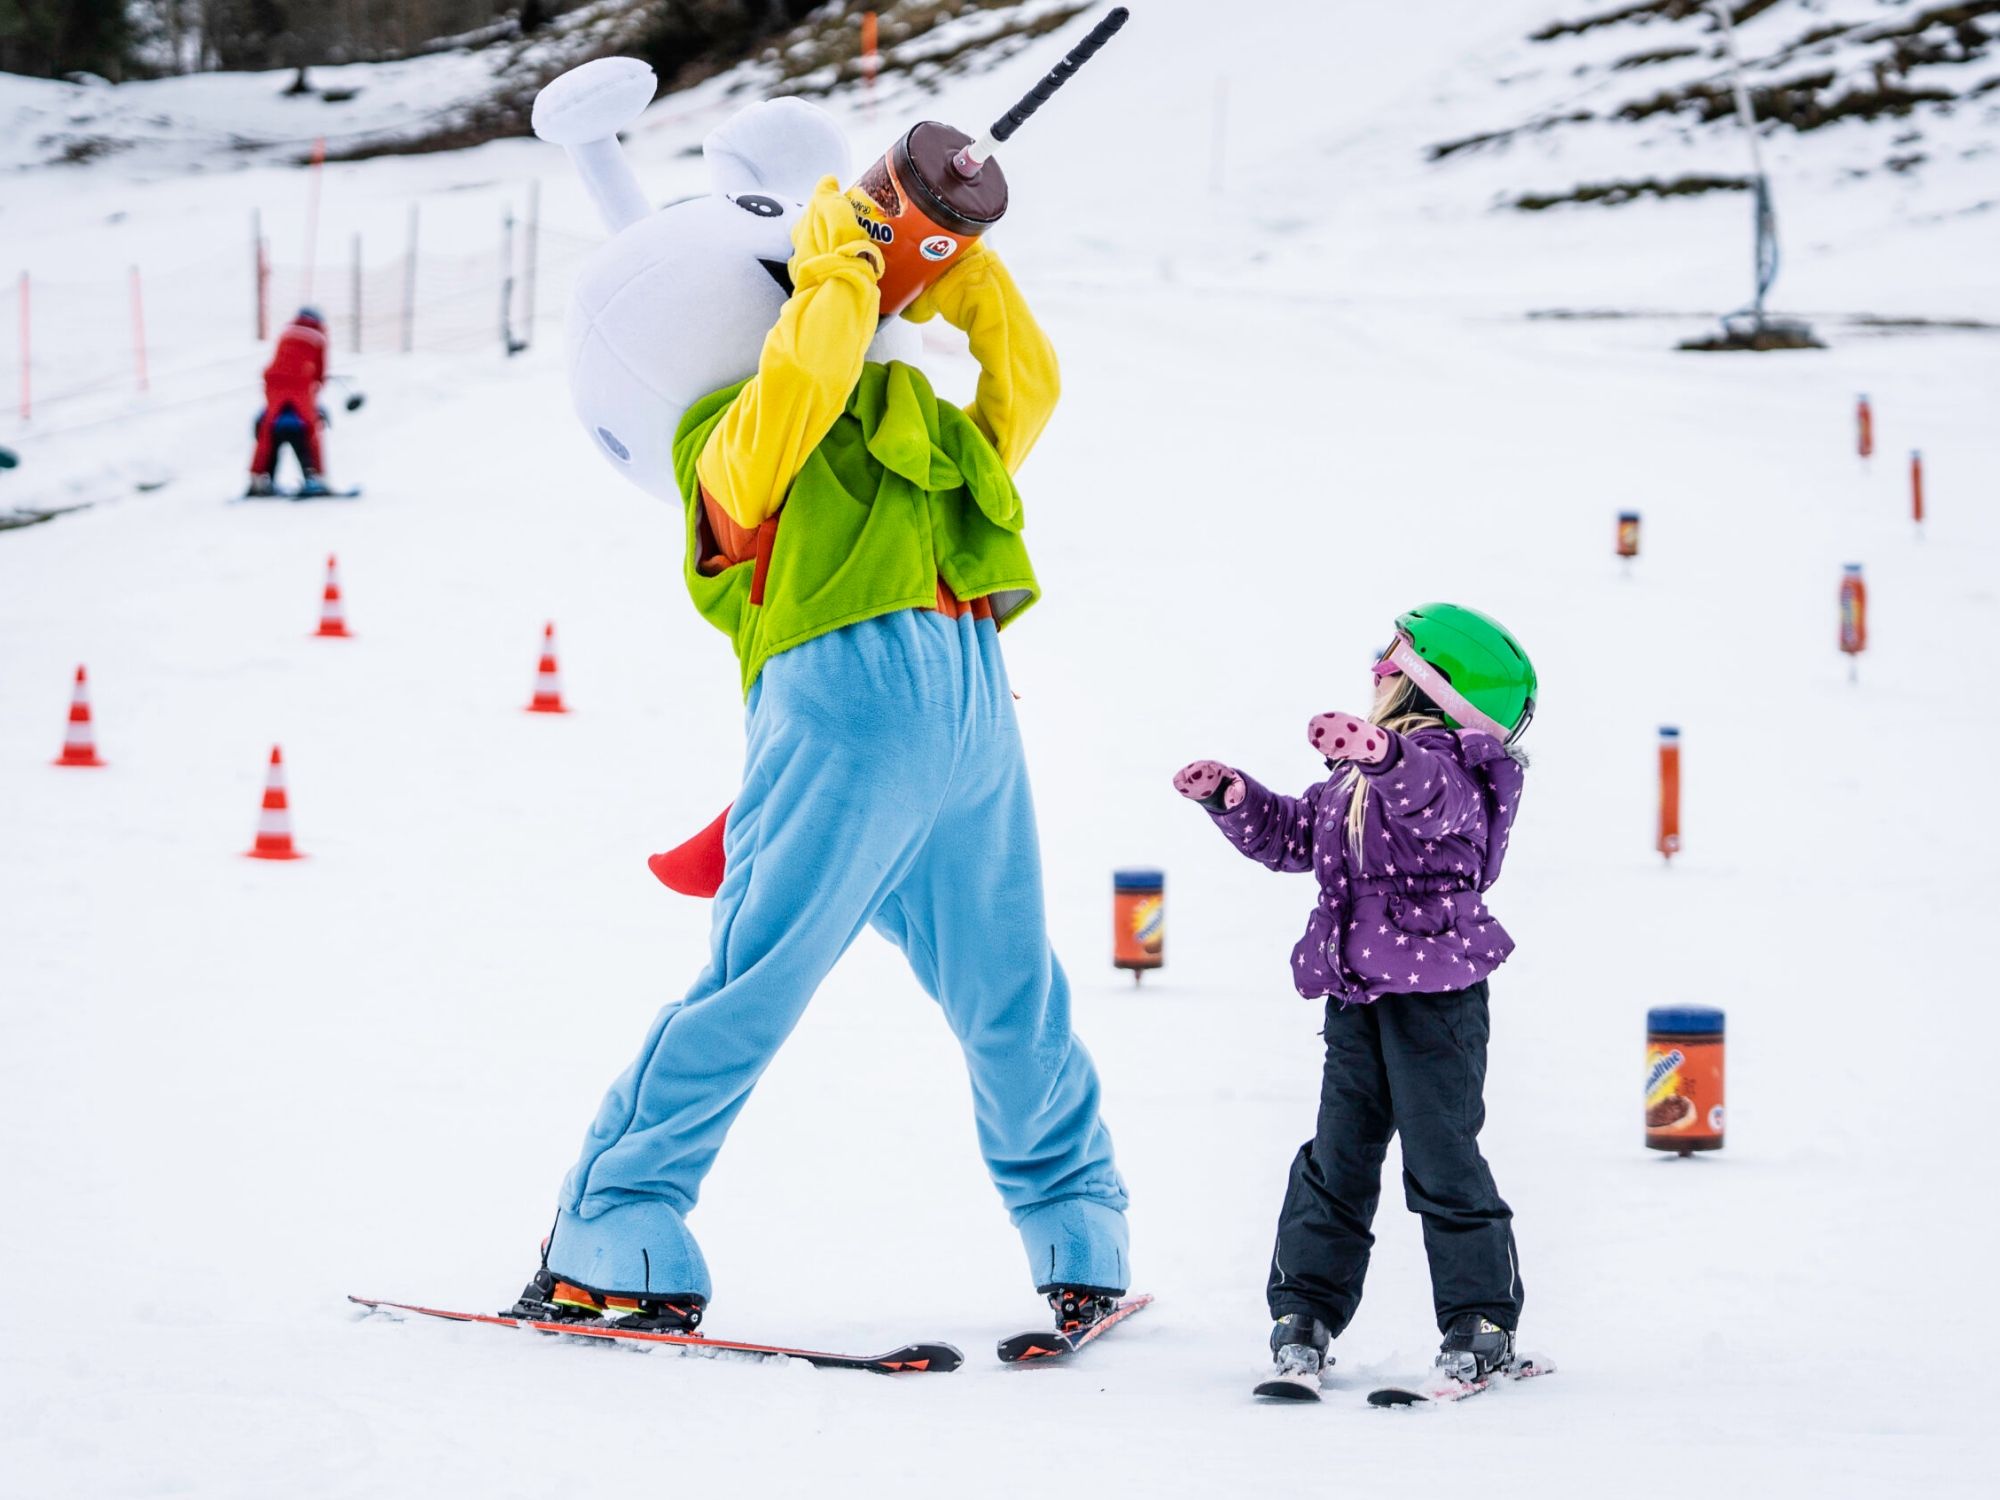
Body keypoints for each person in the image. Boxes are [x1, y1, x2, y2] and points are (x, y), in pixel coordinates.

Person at [512, 89, 1131, 1339]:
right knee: (758, 981)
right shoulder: (721, 446)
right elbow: (797, 383)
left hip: (970, 720)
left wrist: (963, 277)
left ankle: (1077, 1215)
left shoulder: (913, 423)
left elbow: (1026, 394)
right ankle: (609, 1219)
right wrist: (838, 263)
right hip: (840, 719)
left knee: (1013, 990)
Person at [1173, 604, 1536, 1391]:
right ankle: (1305, 1313)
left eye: (1392, 657)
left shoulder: (1460, 769)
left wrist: (1380, 752)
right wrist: (1234, 798)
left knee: (1442, 1155)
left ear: (1432, 683)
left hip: (1437, 1001)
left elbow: (1429, 799)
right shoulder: (1351, 781)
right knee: (1337, 1156)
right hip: (1357, 994)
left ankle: (1481, 1320)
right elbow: (1298, 837)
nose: (1376, 668)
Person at [247, 307, 330, 497]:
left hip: (273, 381)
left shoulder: (287, 332)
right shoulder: (318, 336)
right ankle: (315, 477)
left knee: (267, 428)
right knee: (310, 427)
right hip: (300, 382)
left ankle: (257, 478)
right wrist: (315, 391)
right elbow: (320, 374)